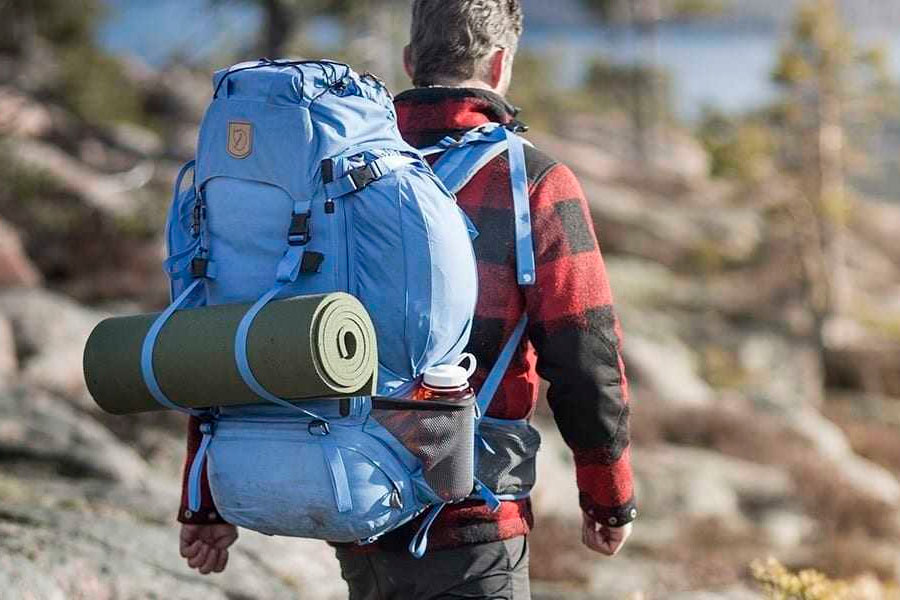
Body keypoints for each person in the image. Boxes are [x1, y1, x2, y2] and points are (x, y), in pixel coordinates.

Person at [178, 0, 636, 595]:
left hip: (348, 497)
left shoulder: (329, 176)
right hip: (470, 521)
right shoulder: (532, 182)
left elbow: (234, 319)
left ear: (409, 61)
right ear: (499, 65)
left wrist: (204, 498)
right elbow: (585, 356)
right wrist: (609, 497)